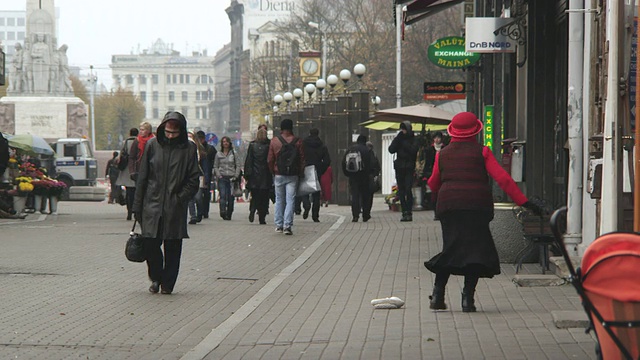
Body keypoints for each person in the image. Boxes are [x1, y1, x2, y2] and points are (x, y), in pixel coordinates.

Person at [425, 112, 544, 312]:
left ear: (452, 131)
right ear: (476, 131)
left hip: (450, 207)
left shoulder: (442, 154)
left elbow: (433, 183)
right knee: (475, 251)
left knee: (451, 249)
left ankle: (438, 294)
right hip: (476, 206)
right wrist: (524, 202)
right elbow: (503, 179)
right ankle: (467, 300)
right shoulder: (482, 152)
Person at [132, 111, 200, 295]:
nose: (170, 136)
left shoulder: (189, 149)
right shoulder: (152, 145)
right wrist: (137, 205)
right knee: (150, 245)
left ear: (181, 131)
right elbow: (143, 177)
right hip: (151, 204)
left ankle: (168, 283)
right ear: (162, 129)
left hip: (174, 206)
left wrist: (180, 198)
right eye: (168, 132)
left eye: (174, 133)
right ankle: (155, 278)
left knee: (173, 247)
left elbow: (194, 179)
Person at [267, 118, 305, 235]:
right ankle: (287, 225)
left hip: (279, 173)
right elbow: (302, 158)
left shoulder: (275, 141)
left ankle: (279, 225)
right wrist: (300, 172)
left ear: (281, 128)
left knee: (279, 199)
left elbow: (270, 159)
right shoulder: (298, 141)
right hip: (293, 174)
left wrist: (273, 171)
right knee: (290, 199)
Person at [388, 121, 418, 222]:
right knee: (401, 191)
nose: (403, 131)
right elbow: (391, 149)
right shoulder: (399, 138)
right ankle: (404, 211)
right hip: (399, 167)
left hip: (409, 167)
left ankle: (409, 212)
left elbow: (413, 151)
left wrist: (404, 143)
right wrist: (397, 140)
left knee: (408, 189)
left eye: (404, 129)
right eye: (402, 129)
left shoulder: (413, 139)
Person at [300, 128, 330, 222]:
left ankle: (306, 205)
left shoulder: (303, 144)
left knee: (304, 190)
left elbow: (299, 156)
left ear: (309, 133)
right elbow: (327, 161)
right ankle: (315, 215)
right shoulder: (321, 145)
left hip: (305, 168)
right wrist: (321, 169)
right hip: (316, 170)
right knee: (316, 193)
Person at [244, 127, 272, 224]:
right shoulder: (268, 146)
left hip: (254, 176)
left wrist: (247, 175)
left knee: (255, 195)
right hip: (265, 175)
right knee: (264, 198)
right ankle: (262, 217)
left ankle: (252, 209)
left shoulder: (252, 146)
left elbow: (249, 161)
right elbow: (270, 161)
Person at [342, 135, 373, 222]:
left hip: (353, 176)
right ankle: (365, 215)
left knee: (355, 195)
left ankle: (355, 215)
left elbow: (343, 162)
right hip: (364, 176)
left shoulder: (351, 149)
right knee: (365, 195)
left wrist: (347, 173)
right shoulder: (366, 150)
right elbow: (371, 164)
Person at [213, 136, 242, 220]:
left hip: (232, 177)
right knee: (223, 195)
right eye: (223, 142)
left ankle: (229, 213)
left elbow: (238, 165)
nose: (225, 143)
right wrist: (218, 175)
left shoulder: (234, 153)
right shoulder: (218, 154)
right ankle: (222, 211)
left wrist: (236, 175)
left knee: (230, 197)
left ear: (229, 143)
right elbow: (215, 166)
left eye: (227, 141)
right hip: (222, 177)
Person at [115, 127, 138, 220]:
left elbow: (121, 155)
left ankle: (129, 211)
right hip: (136, 169)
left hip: (126, 170)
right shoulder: (139, 142)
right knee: (137, 192)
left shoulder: (126, 142)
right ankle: (136, 211)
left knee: (129, 192)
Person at [424, 131, 445, 216]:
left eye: (438, 138)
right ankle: (436, 211)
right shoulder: (429, 150)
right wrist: (425, 175)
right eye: (435, 138)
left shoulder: (445, 148)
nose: (437, 140)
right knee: (434, 193)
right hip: (432, 173)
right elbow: (427, 163)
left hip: (442, 172)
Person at [196, 130, 216, 219]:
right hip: (199, 174)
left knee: (206, 194)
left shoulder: (210, 149)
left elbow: (214, 161)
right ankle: (200, 212)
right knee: (199, 195)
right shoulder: (195, 148)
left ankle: (205, 211)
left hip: (206, 173)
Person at [187, 132, 206, 224]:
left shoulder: (200, 150)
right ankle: (193, 216)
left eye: (190, 136)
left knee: (198, 197)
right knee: (190, 197)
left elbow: (205, 165)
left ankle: (200, 213)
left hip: (199, 174)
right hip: (188, 175)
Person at [366, 141, 381, 216]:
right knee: (370, 195)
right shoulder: (373, 155)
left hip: (365, 176)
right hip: (371, 176)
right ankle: (367, 210)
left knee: (364, 194)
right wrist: (376, 175)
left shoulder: (363, 153)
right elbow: (378, 167)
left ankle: (364, 208)